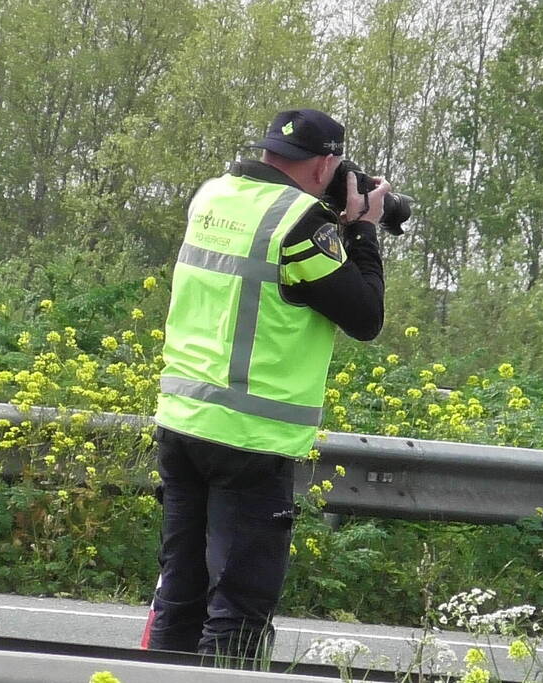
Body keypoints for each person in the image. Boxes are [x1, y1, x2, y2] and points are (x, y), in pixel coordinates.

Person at [146, 108, 390, 666]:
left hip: (183, 423)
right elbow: (365, 316)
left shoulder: (211, 196)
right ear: (327, 164)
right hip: (249, 438)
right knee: (237, 609)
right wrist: (362, 230)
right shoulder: (301, 223)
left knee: (179, 596)